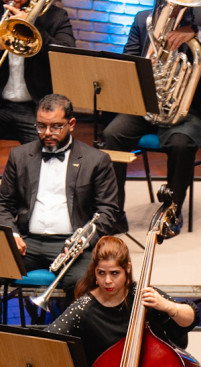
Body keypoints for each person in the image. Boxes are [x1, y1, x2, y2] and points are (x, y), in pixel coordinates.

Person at [102, 4, 201, 234]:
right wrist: (143, 65)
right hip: (148, 104)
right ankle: (114, 213)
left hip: (190, 107)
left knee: (181, 144)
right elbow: (128, 58)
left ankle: (171, 211)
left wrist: (196, 32)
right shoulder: (143, 19)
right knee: (112, 135)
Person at [0, 93, 119, 291]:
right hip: (26, 242)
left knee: (81, 281)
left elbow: (108, 211)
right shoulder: (19, 156)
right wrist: (11, 234)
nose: (47, 132)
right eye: (41, 126)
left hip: (71, 245)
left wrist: (82, 241)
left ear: (71, 123)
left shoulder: (96, 160)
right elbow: (3, 204)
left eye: (56, 126)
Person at [47, 235, 199, 366]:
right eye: (101, 273)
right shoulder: (84, 307)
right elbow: (49, 338)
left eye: (114, 273)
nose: (107, 280)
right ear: (94, 272)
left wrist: (167, 306)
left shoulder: (142, 296)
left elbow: (191, 318)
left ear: (127, 268)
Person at [0, 0, 75, 144]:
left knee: (49, 152)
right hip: (1, 104)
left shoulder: (55, 16)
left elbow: (67, 56)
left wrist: (32, 26)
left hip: (35, 109)